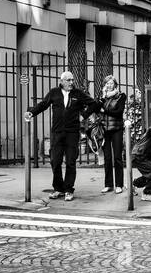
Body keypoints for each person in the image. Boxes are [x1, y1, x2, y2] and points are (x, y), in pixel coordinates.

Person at [25, 71, 102, 201]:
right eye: (68, 80)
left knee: (71, 162)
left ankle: (68, 189)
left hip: (72, 133)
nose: (71, 82)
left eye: (72, 80)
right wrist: (31, 113)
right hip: (57, 132)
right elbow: (43, 104)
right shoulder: (54, 93)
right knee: (55, 161)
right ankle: (58, 188)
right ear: (62, 81)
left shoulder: (78, 94)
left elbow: (94, 104)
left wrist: (83, 115)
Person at [99, 75, 126, 194]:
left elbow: (119, 112)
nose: (109, 85)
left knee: (117, 157)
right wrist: (102, 98)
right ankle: (108, 184)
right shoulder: (103, 97)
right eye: (107, 83)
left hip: (117, 129)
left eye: (111, 83)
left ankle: (119, 185)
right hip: (105, 130)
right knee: (107, 158)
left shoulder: (121, 96)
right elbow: (96, 108)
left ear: (115, 84)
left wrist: (105, 111)